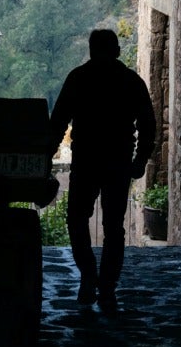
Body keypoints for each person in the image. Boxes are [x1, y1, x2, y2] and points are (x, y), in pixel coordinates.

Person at [49, 28, 158, 312]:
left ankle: (88, 276)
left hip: (86, 160)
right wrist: (140, 159)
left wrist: (44, 157)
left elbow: (58, 121)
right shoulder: (130, 81)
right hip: (118, 162)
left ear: (91, 49)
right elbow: (148, 124)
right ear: (117, 50)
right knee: (114, 228)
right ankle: (107, 288)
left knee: (76, 220)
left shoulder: (78, 78)